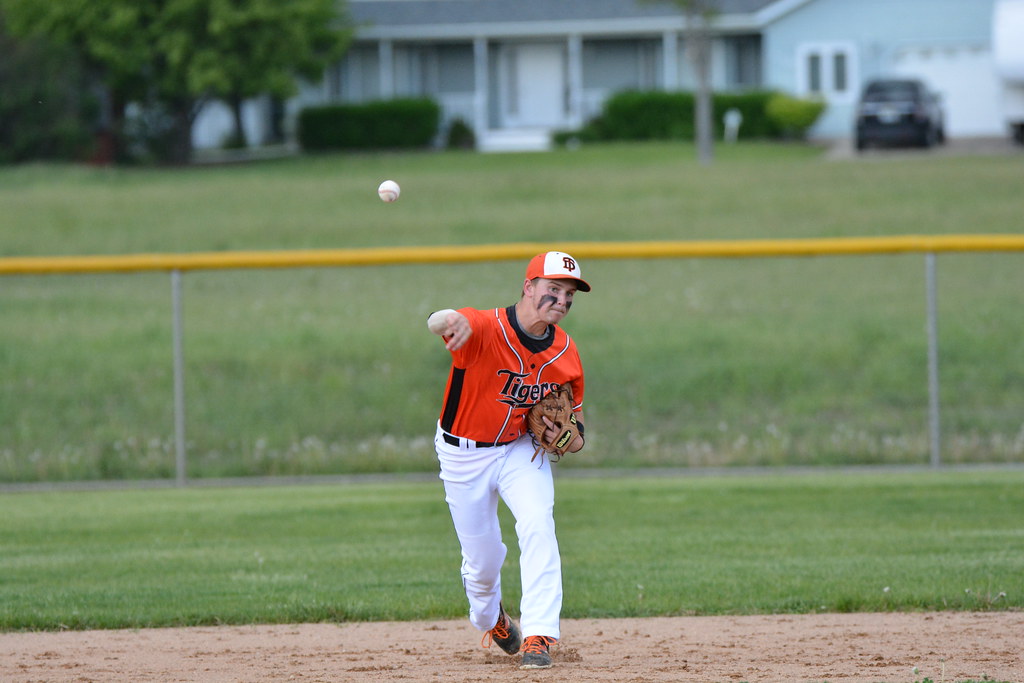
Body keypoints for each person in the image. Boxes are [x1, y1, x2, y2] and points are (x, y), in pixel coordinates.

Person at [426, 251, 590, 670]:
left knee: (538, 522)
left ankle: (539, 635)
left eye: (569, 293)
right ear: (528, 287)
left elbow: (578, 426)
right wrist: (453, 321)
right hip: (463, 455)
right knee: (482, 565)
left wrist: (568, 437)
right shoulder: (484, 327)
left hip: (521, 449)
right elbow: (454, 319)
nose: (562, 300)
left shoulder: (566, 353)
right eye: (553, 289)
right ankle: (493, 619)